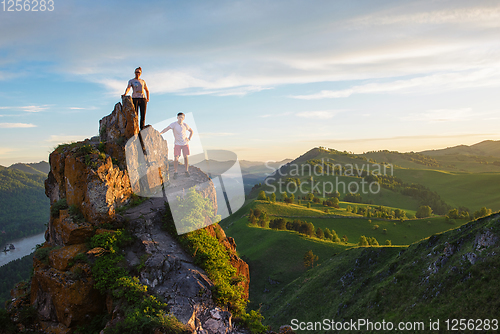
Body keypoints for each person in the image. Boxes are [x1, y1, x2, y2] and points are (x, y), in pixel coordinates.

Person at [160, 112, 193, 179]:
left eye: (182, 117)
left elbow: (191, 131)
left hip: (185, 143)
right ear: (177, 117)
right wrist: (160, 133)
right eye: (179, 117)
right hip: (177, 144)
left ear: (184, 118)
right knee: (176, 158)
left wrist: (189, 138)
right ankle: (175, 172)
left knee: (185, 157)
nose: (181, 118)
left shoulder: (185, 125)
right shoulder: (174, 124)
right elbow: (167, 128)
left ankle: (186, 171)